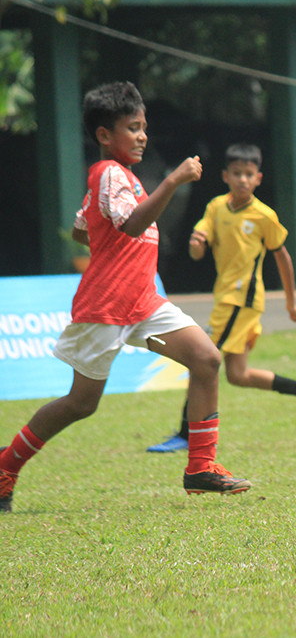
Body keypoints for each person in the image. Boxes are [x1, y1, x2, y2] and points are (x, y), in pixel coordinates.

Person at [0, 81, 250, 513]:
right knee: (80, 404)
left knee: (207, 358)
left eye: (143, 127)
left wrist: (100, 231)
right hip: (106, 306)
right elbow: (132, 225)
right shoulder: (109, 173)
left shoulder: (120, 178)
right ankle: (6, 466)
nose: (142, 135)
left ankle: (201, 467)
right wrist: (174, 178)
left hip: (143, 301)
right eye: (132, 127)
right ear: (103, 135)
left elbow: (83, 227)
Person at [147, 143, 296, 453]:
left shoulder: (264, 216)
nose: (243, 180)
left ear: (258, 178)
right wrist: (196, 243)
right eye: (237, 174)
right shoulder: (216, 208)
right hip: (225, 299)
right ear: (225, 176)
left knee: (201, 359)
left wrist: (291, 302)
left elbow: (282, 257)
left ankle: (185, 434)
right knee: (238, 375)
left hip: (241, 302)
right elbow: (197, 250)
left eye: (249, 175)